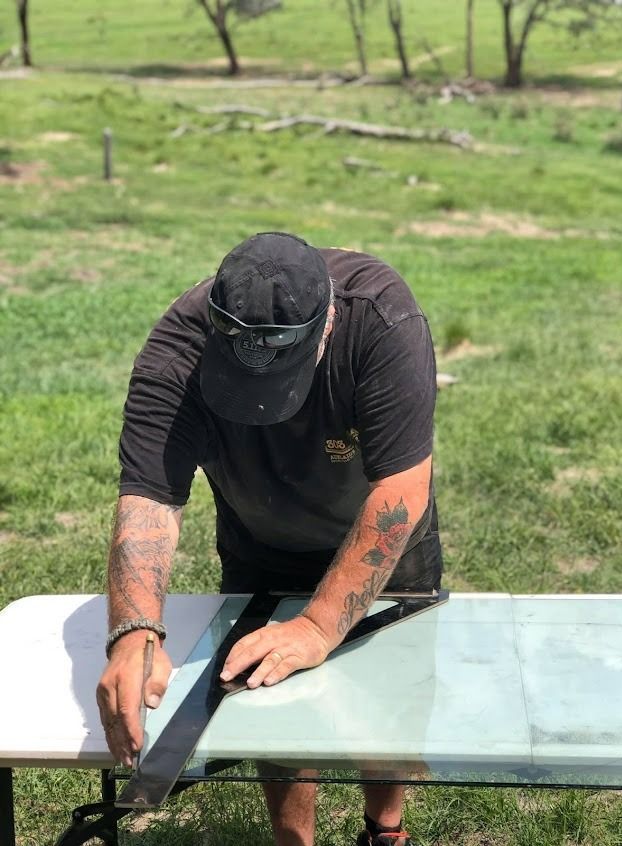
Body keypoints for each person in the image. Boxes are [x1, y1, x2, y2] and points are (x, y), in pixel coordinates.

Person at [97, 231, 443, 846]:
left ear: (327, 326)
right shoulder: (176, 352)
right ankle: (293, 841)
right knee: (266, 691)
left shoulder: (383, 318)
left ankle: (385, 830)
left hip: (380, 532)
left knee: (393, 689)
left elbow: (400, 492)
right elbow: (149, 498)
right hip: (260, 537)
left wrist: (316, 627)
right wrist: (134, 632)